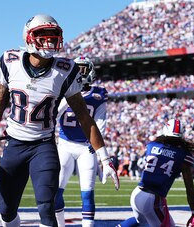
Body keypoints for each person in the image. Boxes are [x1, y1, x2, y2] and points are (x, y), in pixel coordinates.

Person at [0, 14, 119, 227]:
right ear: (28, 37)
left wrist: (104, 157)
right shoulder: (9, 62)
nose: (49, 40)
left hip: (43, 146)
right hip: (14, 145)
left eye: (53, 35)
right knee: (6, 211)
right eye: (42, 35)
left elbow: (84, 117)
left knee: (47, 206)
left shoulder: (65, 70)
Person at [117, 119, 194, 227]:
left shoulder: (151, 146)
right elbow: (190, 188)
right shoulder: (183, 155)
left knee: (139, 221)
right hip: (153, 198)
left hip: (137, 193)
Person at [54, 56, 110, 227]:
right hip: (65, 144)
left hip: (87, 147)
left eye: (83, 69)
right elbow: (53, 115)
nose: (79, 72)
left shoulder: (98, 94)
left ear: (90, 71)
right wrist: (68, 95)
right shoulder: (62, 90)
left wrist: (97, 146)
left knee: (87, 193)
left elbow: (101, 121)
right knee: (56, 192)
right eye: (76, 68)